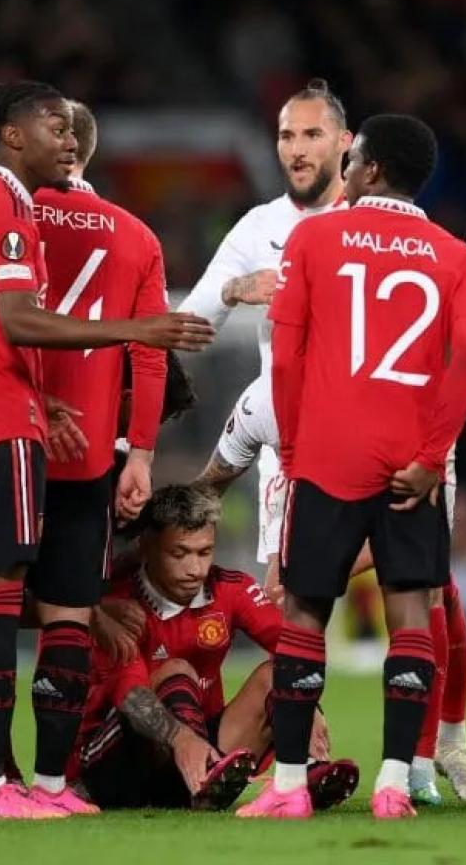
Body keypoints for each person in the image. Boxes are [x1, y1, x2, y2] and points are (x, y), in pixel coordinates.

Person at [0, 80, 214, 820]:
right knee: (63, 615)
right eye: (52, 129)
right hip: (58, 442)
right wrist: (139, 449)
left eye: (64, 129)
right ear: (22, 137)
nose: (64, 142)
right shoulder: (124, 233)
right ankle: (34, 781)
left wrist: (36, 396)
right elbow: (128, 353)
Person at [238, 114, 466, 820]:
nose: (343, 170)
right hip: (411, 460)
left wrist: (291, 448)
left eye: (352, 161)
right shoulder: (455, 255)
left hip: (328, 456)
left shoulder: (313, 237)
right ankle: (393, 782)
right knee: (413, 614)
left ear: (372, 170)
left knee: (303, 614)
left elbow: (286, 355)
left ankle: (288, 788)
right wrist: (434, 456)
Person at [193, 375, 466, 803]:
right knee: (290, 616)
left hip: (398, 463)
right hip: (303, 482)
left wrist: (320, 569)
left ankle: (436, 748)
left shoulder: (389, 400)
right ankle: (304, 766)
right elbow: (211, 482)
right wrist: (157, 531)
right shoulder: (263, 401)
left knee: (429, 587)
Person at [76, 485, 359, 812]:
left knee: (278, 677)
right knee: (177, 671)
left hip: (196, 760)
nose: (195, 569)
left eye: (204, 552)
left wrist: (308, 707)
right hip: (114, 763)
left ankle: (301, 772)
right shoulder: (120, 604)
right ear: (148, 546)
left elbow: (294, 646)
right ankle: (206, 771)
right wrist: (183, 740)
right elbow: (131, 695)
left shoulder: (230, 589)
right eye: (179, 554)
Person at [178, 78, 351, 572]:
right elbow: (190, 324)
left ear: (344, 142)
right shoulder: (259, 226)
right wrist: (235, 289)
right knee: (286, 593)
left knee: (406, 593)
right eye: (286, 136)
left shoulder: (374, 218)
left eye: (312, 135)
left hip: (368, 436)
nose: (296, 150)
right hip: (290, 440)